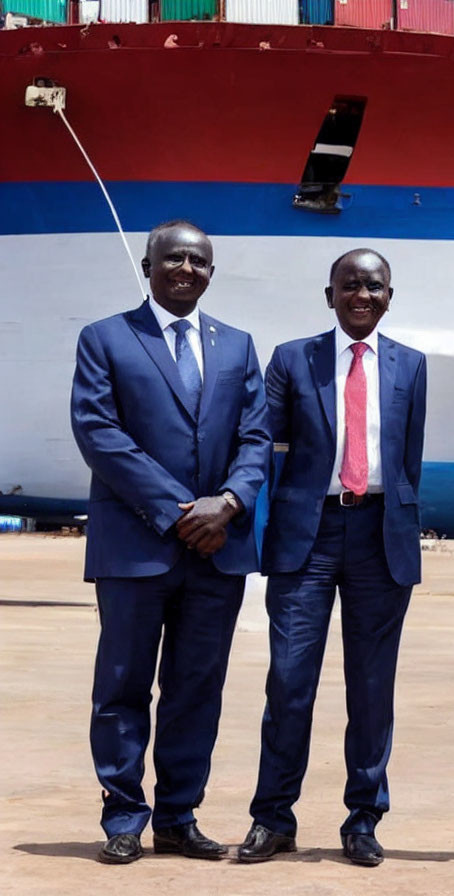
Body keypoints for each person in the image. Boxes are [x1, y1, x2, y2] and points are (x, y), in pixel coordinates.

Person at [70, 220, 270, 864]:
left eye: (199, 261)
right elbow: (99, 431)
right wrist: (178, 510)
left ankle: (179, 816)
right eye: (174, 257)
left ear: (211, 272)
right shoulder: (105, 338)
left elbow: (256, 438)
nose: (186, 268)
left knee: (196, 688)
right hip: (136, 546)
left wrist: (231, 502)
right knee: (123, 686)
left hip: (219, 549)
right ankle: (124, 816)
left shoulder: (238, 346)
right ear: (148, 265)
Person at [238, 249, 427, 868]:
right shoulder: (293, 359)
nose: (362, 296)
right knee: (290, 681)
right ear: (330, 295)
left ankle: (364, 819)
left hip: (380, 536)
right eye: (350, 286)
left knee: (372, 688)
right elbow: (265, 442)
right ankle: (273, 817)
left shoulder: (412, 365)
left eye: (374, 287)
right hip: (307, 536)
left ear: (389, 296)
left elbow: (408, 461)